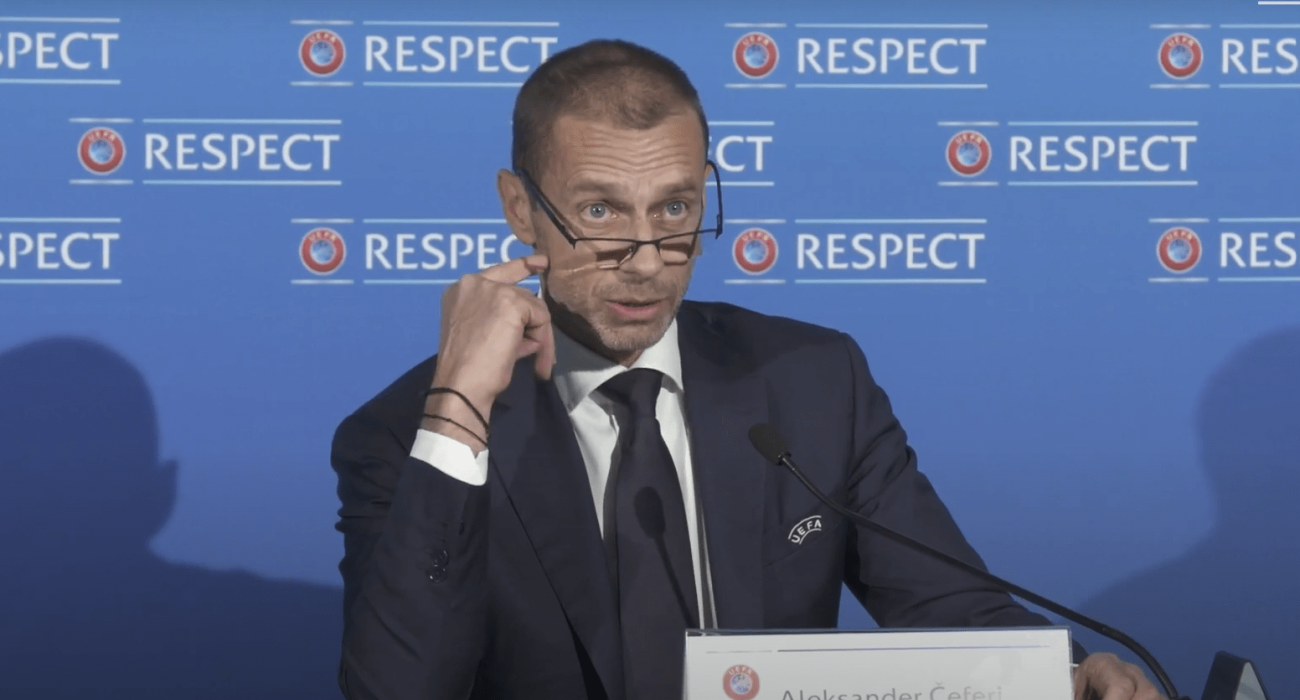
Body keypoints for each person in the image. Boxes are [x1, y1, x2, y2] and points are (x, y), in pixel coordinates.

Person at [331, 39, 1160, 700]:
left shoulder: (815, 382)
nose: (648, 260)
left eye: (676, 208)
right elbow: (398, 688)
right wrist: (458, 409)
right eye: (599, 211)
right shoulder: (409, 434)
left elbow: (949, 606)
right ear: (521, 209)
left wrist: (1067, 675)